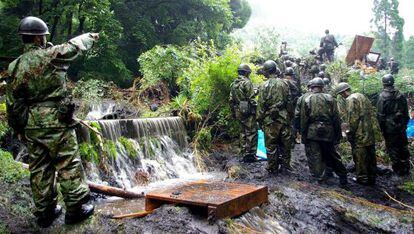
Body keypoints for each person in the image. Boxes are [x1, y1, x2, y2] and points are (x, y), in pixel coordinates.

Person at [6, 16, 99, 227]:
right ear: (39, 38)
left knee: (39, 168)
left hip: (31, 123)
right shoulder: (51, 55)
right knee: (67, 161)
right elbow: (74, 47)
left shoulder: (14, 66)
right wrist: (91, 36)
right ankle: (75, 208)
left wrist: (19, 128)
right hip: (56, 120)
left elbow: (13, 104)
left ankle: (45, 213)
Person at [298, 78, 347, 185]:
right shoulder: (330, 98)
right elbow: (336, 118)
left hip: (312, 131)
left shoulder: (307, 99)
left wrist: (303, 134)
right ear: (322, 87)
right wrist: (337, 135)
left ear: (312, 87)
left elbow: (304, 119)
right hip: (328, 131)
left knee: (315, 155)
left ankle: (319, 178)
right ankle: (342, 175)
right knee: (332, 154)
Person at [336, 83, 377, 185]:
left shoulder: (350, 99)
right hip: (370, 132)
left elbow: (353, 119)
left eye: (341, 94)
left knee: (360, 157)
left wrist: (349, 132)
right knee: (371, 155)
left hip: (360, 134)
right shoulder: (362, 96)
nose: (342, 96)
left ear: (344, 91)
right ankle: (372, 177)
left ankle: (362, 179)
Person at [257, 60, 292, 173]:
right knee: (285, 144)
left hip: (269, 120)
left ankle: (272, 167)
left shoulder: (263, 86)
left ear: (267, 71)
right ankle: (285, 165)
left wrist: (259, 119)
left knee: (271, 144)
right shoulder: (284, 83)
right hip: (283, 117)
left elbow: (261, 105)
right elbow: (289, 101)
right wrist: (290, 116)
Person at [377, 74, 411, 176]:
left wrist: (382, 129)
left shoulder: (382, 97)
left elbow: (380, 116)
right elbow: (406, 113)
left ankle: (398, 171)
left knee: (392, 148)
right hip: (401, 126)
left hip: (390, 127)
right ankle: (406, 168)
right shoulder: (400, 94)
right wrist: (404, 124)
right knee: (403, 146)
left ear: (383, 83)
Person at [229, 64, 258, 163]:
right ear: (246, 73)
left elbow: (231, 100)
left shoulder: (233, 84)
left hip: (238, 110)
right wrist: (257, 109)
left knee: (242, 132)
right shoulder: (247, 82)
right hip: (247, 110)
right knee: (251, 132)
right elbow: (251, 99)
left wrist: (233, 112)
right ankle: (250, 155)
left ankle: (243, 152)